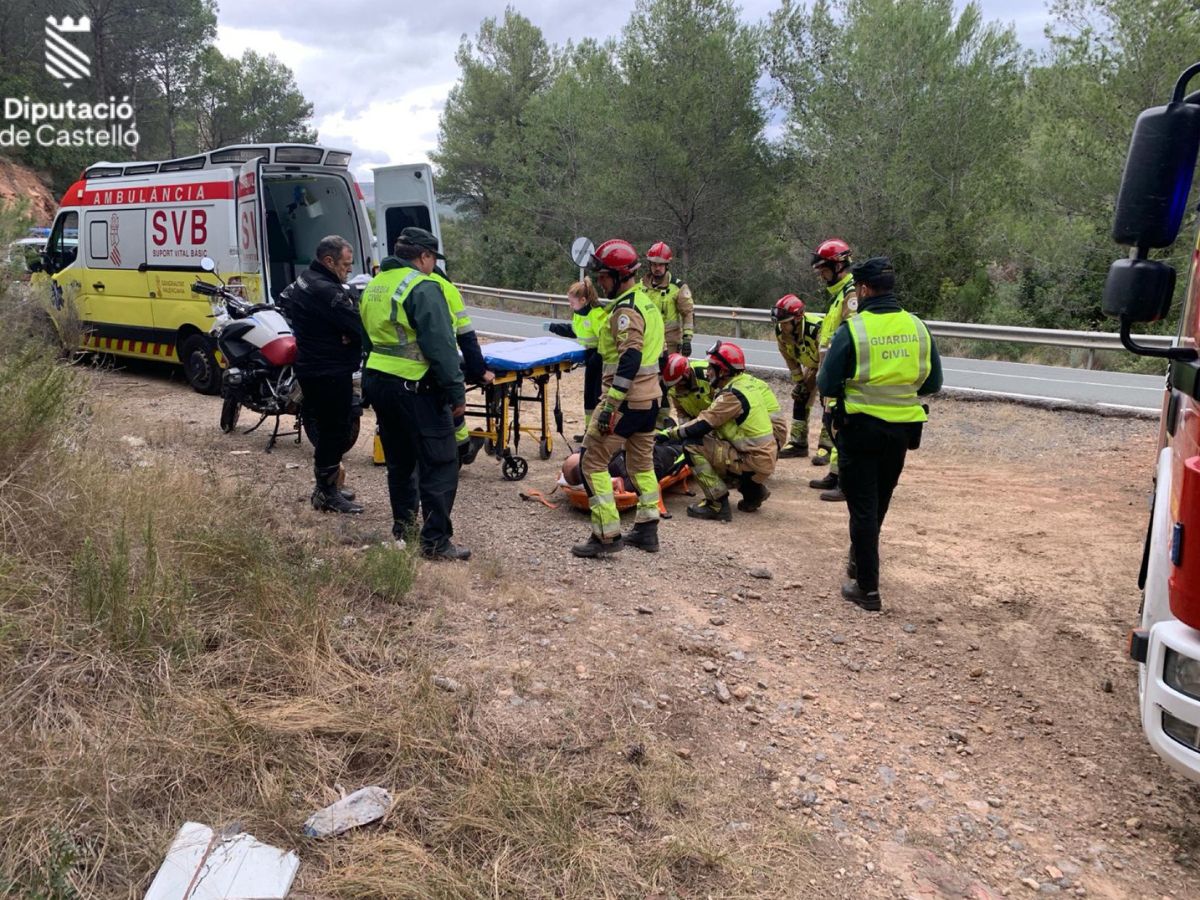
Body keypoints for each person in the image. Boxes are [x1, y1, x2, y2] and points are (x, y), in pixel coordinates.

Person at [817, 257, 943, 611]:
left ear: (864, 289)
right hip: (902, 431)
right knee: (878, 502)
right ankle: (859, 563)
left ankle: (867, 589)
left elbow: (827, 381)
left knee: (862, 509)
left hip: (859, 429)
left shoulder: (855, 329)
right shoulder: (917, 327)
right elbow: (933, 382)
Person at [359, 227, 470, 561]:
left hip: (380, 382)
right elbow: (441, 346)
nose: (433, 265)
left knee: (400, 461)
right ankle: (435, 542)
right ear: (423, 256)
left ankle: (404, 531)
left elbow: (367, 339)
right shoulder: (423, 287)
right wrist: (456, 392)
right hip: (416, 387)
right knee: (440, 462)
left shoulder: (374, 285)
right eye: (432, 258)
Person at [573, 238, 665, 558]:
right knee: (640, 465)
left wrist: (611, 403)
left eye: (604, 277)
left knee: (592, 461)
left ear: (620, 274)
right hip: (651, 400)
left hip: (626, 401)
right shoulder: (644, 302)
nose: (600, 281)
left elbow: (630, 358)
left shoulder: (626, 310)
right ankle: (647, 529)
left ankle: (605, 536)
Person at [278, 234, 363, 514]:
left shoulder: (305, 279)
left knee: (330, 428)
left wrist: (315, 331)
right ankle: (326, 493)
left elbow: (285, 300)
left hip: (314, 365)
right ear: (329, 261)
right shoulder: (327, 291)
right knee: (334, 430)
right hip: (328, 368)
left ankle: (327, 487)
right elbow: (358, 328)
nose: (349, 269)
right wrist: (336, 334)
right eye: (346, 264)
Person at [660, 341, 778, 521]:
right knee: (714, 444)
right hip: (762, 456)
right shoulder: (745, 383)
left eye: (711, 368)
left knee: (692, 445)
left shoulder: (731, 395)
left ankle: (716, 504)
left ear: (723, 371)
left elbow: (703, 424)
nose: (708, 372)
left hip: (753, 459)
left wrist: (669, 434)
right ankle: (753, 492)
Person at [428, 254, 495, 463]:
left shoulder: (387, 283)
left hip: (392, 373)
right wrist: (480, 371)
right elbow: (466, 336)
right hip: (437, 365)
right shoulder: (445, 289)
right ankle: (462, 449)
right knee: (452, 403)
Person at [808, 238, 858, 502]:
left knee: (840, 425)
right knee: (832, 424)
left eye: (824, 270)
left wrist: (836, 372)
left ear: (838, 265)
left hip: (842, 373)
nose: (821, 275)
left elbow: (848, 336)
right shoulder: (840, 292)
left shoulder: (851, 293)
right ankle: (836, 474)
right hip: (831, 369)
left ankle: (846, 482)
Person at [545, 278, 605, 439]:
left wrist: (596, 357)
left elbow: (607, 341)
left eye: (572, 302)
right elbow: (575, 331)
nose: (570, 305)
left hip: (602, 359)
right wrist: (553, 327)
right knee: (588, 397)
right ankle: (588, 431)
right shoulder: (579, 314)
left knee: (598, 396)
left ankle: (598, 433)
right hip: (591, 357)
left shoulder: (597, 314)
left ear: (583, 300)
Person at [772, 294, 822, 458]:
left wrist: (824, 381)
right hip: (812, 365)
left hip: (828, 364)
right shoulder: (781, 332)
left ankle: (827, 446)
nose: (782, 327)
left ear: (798, 319)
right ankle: (798, 443)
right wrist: (800, 382)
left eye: (785, 323)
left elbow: (827, 357)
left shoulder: (816, 329)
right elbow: (790, 359)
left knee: (829, 402)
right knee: (800, 397)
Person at [561, 438, 686, 491]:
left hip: (651, 445)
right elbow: (653, 472)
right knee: (690, 444)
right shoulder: (619, 474)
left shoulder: (601, 457)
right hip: (665, 455)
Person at [643, 242, 695, 357]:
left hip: (670, 344)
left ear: (667, 265)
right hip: (646, 341)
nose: (657, 268)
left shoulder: (678, 288)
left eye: (660, 265)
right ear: (650, 265)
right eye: (654, 265)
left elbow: (688, 314)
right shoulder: (642, 286)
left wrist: (687, 339)